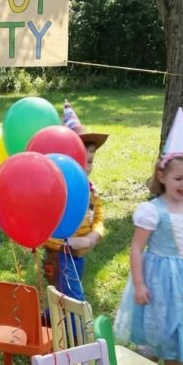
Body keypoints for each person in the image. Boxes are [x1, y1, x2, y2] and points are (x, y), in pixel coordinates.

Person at [114, 108, 183, 365]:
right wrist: (139, 284)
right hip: (159, 278)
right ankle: (152, 356)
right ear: (162, 176)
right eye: (179, 178)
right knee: (161, 325)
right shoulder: (153, 211)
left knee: (180, 330)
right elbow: (136, 248)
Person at [43, 99, 108, 300]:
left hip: (79, 254)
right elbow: (44, 227)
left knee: (62, 297)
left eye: (90, 161)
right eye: (81, 161)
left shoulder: (91, 190)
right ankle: (78, 320)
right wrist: (66, 242)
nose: (86, 167)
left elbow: (98, 218)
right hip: (59, 256)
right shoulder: (56, 192)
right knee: (73, 299)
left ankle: (50, 316)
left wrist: (92, 237)